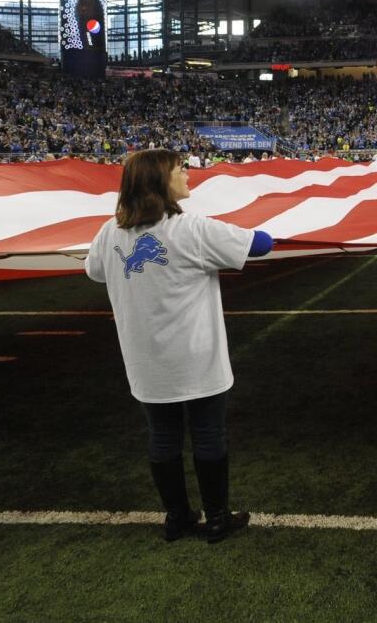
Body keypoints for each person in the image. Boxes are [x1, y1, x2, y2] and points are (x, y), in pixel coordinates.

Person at [84, 149, 274, 543]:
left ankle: (176, 517)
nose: (188, 174)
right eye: (179, 169)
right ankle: (217, 518)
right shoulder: (192, 229)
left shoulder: (109, 233)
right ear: (159, 181)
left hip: (146, 362)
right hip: (197, 358)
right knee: (207, 434)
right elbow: (263, 243)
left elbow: (94, 271)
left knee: (163, 437)